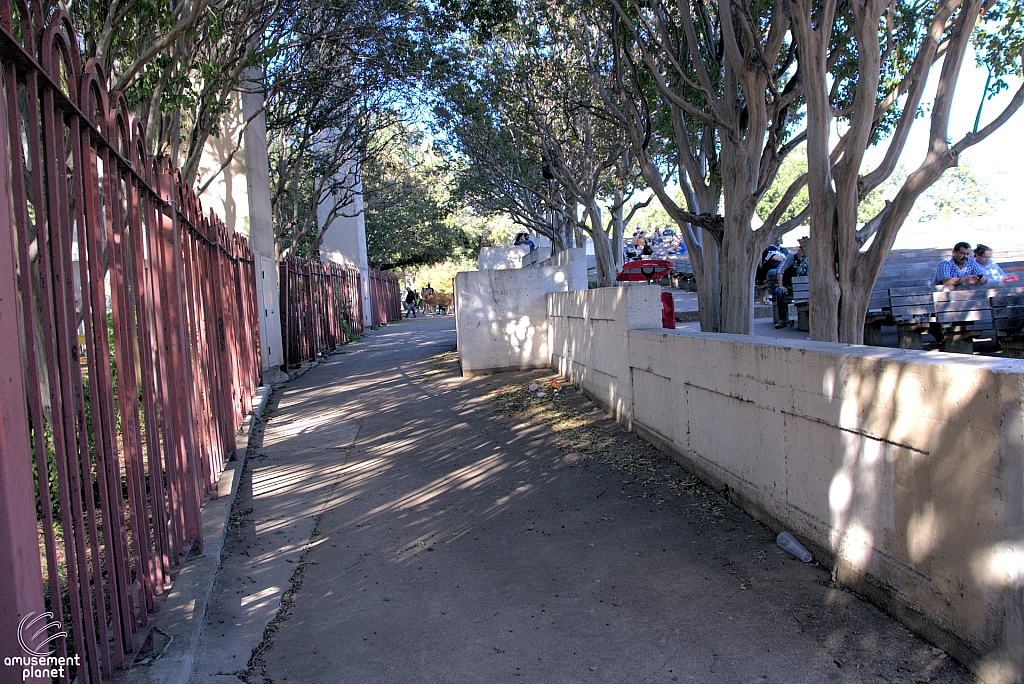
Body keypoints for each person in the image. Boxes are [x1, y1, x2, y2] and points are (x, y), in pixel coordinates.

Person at [774, 242, 808, 328]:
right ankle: (782, 319)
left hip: (803, 289)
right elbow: (780, 270)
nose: (804, 254)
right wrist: (781, 285)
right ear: (799, 250)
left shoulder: (808, 260)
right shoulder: (791, 257)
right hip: (789, 287)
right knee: (779, 291)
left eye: (806, 251)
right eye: (803, 251)